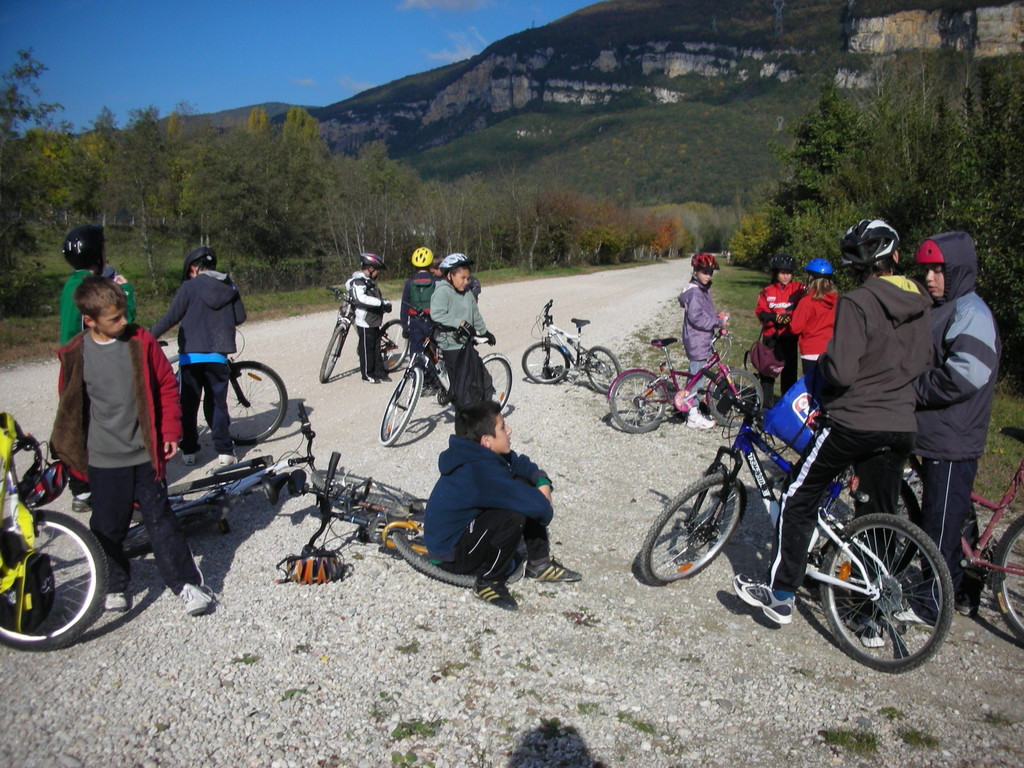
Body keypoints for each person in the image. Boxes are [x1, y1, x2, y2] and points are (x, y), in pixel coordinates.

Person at [734, 219, 932, 642]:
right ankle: (872, 613)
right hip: (901, 423)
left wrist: (823, 367)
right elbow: (923, 361)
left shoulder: (858, 301)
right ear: (895, 256)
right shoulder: (920, 298)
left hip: (855, 420)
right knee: (878, 517)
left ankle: (781, 594)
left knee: (797, 495)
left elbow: (840, 370)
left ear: (856, 265)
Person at [49, 276, 214, 617]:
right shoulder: (77, 353)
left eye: (124, 312)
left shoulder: (141, 342)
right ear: (90, 320)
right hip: (104, 461)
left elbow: (167, 386)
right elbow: (70, 407)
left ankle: (186, 584)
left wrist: (170, 431)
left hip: (144, 456)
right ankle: (114, 584)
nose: (124, 321)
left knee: (161, 520)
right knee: (108, 526)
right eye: (114, 318)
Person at [913, 232, 1000, 618]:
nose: (929, 277)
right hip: (940, 434)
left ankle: (932, 604)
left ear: (958, 270)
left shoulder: (971, 312)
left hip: (952, 439)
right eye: (927, 269)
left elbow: (965, 375)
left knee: (939, 529)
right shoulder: (947, 307)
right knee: (955, 520)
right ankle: (964, 592)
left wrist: (913, 388)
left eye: (938, 270)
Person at [424, 400, 581, 611]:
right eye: (502, 427)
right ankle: (489, 581)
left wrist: (541, 481)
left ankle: (539, 564)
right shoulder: (479, 472)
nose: (509, 431)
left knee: (522, 483)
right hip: (452, 556)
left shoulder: (477, 452)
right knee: (513, 514)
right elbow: (541, 509)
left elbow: (517, 463)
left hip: (465, 534)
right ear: (487, 441)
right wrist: (543, 501)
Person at [59, 225, 137, 514]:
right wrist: (125, 291)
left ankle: (81, 489)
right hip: (91, 363)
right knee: (104, 424)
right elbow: (123, 321)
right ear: (97, 254)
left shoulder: (71, 284)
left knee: (79, 423)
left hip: (70, 362)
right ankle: (108, 489)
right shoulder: (93, 287)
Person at [151, 246, 246, 467]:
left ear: (194, 267)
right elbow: (240, 317)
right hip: (218, 356)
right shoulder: (229, 286)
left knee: (188, 404)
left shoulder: (189, 287)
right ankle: (224, 451)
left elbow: (171, 317)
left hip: (191, 357)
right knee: (217, 404)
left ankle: (189, 451)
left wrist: (147, 337)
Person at [429, 253, 496, 408]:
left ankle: (482, 411)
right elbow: (437, 314)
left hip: (465, 344)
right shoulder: (443, 291)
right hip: (451, 346)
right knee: (463, 389)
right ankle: (465, 415)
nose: (466, 282)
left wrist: (484, 331)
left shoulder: (467, 292)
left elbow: (475, 314)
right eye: (462, 278)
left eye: (468, 278)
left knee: (482, 379)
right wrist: (459, 323)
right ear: (449, 276)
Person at [677, 252, 728, 430]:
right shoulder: (695, 292)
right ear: (696, 271)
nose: (708, 276)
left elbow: (703, 313)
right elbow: (697, 318)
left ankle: (688, 407)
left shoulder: (701, 289)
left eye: (710, 273)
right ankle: (692, 416)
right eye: (705, 272)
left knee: (695, 376)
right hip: (697, 339)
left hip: (699, 338)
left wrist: (715, 317)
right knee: (697, 377)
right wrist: (718, 322)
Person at [755, 252, 805, 407]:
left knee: (789, 374)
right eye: (782, 273)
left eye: (789, 273)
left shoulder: (799, 289)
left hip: (789, 337)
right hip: (771, 337)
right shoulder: (767, 291)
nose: (786, 276)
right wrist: (775, 317)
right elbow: (761, 312)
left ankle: (787, 406)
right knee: (768, 373)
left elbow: (806, 306)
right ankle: (765, 405)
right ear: (776, 273)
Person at [346, 252, 392, 383]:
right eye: (377, 270)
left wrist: (384, 303)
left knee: (376, 347)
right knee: (367, 349)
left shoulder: (368, 281)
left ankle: (379, 371)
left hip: (373, 320)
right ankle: (367, 374)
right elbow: (361, 299)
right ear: (371, 269)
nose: (378, 273)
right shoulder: (358, 282)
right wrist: (380, 303)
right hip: (365, 321)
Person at [788, 258, 838, 376]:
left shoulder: (807, 301)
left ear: (811, 279)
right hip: (831, 348)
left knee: (812, 384)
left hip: (811, 350)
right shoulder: (837, 300)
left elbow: (795, 328)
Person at [400, 246, 439, 363]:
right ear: (430, 264)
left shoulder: (409, 283)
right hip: (431, 321)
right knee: (432, 351)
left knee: (415, 352)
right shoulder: (435, 282)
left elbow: (404, 305)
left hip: (415, 321)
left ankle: (416, 371)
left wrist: (404, 325)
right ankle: (431, 373)